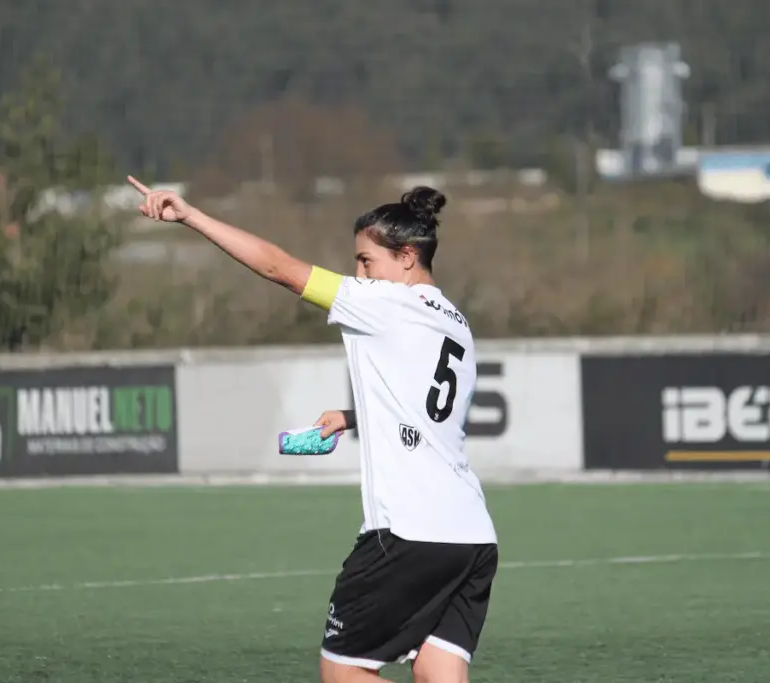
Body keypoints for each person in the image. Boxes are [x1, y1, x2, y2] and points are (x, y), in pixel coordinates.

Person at [129, 176, 498, 683]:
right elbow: (431, 412)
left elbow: (278, 267)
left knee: (343, 672)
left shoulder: (384, 302)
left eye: (367, 261)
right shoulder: (456, 321)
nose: (358, 273)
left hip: (410, 530)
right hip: (472, 535)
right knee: (439, 672)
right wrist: (352, 417)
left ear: (408, 257)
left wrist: (191, 216)